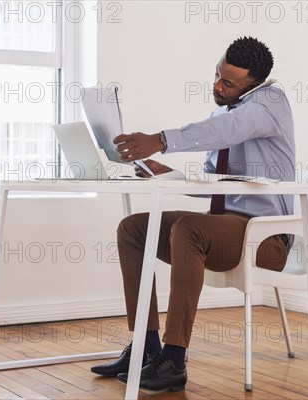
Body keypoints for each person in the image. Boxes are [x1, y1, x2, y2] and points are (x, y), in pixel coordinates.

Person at [90, 36, 296, 392]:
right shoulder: (224, 110)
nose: (217, 86)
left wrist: (161, 139)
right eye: (217, 75)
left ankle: (174, 359)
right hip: (225, 230)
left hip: (266, 238)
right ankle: (146, 347)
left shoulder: (269, 103)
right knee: (134, 228)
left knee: (189, 228)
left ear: (254, 84)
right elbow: (214, 181)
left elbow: (228, 130)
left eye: (228, 83)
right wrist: (165, 171)